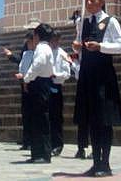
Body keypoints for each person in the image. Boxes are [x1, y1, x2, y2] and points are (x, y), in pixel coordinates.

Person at [73, 0, 121, 178]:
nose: (89, 4)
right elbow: (80, 49)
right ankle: (95, 162)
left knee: (104, 121)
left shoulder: (110, 22)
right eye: (87, 0)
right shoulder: (83, 23)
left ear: (102, 1)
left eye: (93, 0)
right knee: (92, 121)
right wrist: (78, 47)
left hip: (103, 77)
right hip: (87, 76)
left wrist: (101, 46)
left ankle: (105, 163)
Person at [21, 23, 55, 164]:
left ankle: (41, 153)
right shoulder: (46, 48)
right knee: (40, 120)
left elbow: (37, 65)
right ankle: (39, 153)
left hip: (39, 84)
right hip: (43, 83)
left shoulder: (41, 48)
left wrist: (27, 78)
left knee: (39, 120)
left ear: (37, 36)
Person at [3, 31, 35, 149]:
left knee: (33, 114)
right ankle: (27, 140)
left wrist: (26, 78)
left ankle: (33, 140)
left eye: (29, 41)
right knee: (26, 113)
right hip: (24, 84)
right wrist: (11, 56)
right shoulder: (26, 51)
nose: (27, 43)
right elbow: (22, 61)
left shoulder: (39, 52)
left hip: (33, 84)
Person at [50, 29, 72, 158]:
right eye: (52, 40)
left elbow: (67, 73)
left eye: (56, 40)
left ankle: (57, 144)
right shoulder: (45, 51)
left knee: (56, 118)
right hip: (45, 86)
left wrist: (56, 75)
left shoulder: (62, 54)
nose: (54, 42)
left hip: (56, 86)